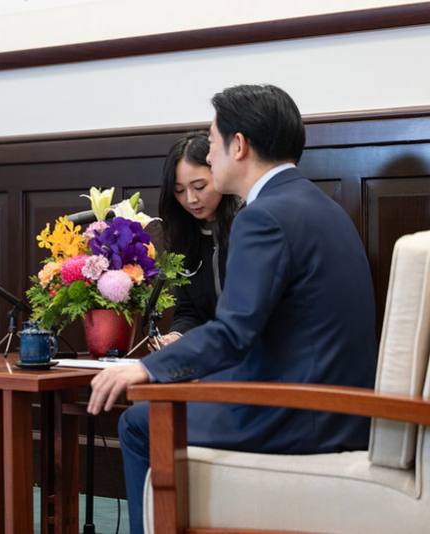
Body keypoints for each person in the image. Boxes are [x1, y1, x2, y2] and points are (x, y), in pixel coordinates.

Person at [87, 85, 377, 533]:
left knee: (138, 422)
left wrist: (148, 369)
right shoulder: (322, 206)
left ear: (238, 145)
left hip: (302, 416)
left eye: (213, 139)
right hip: (344, 408)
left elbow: (233, 332)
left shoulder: (262, 217)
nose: (212, 154)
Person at [151, 131, 239, 349]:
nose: (190, 199)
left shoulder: (248, 226)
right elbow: (188, 311)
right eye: (179, 191)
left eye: (199, 187)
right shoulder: (185, 233)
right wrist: (176, 336)